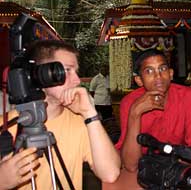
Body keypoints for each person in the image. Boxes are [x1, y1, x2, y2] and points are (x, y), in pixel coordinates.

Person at [0, 40, 121, 189]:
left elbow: (110, 173)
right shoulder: (6, 126)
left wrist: (90, 114)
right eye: (66, 70)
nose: (77, 80)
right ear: (39, 75)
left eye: (76, 72)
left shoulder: (80, 122)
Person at [115, 48, 191, 172]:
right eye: (149, 71)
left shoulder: (188, 97)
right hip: (143, 168)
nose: (158, 76)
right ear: (139, 80)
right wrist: (135, 113)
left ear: (171, 74)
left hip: (179, 165)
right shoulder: (130, 103)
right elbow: (131, 165)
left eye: (162, 69)